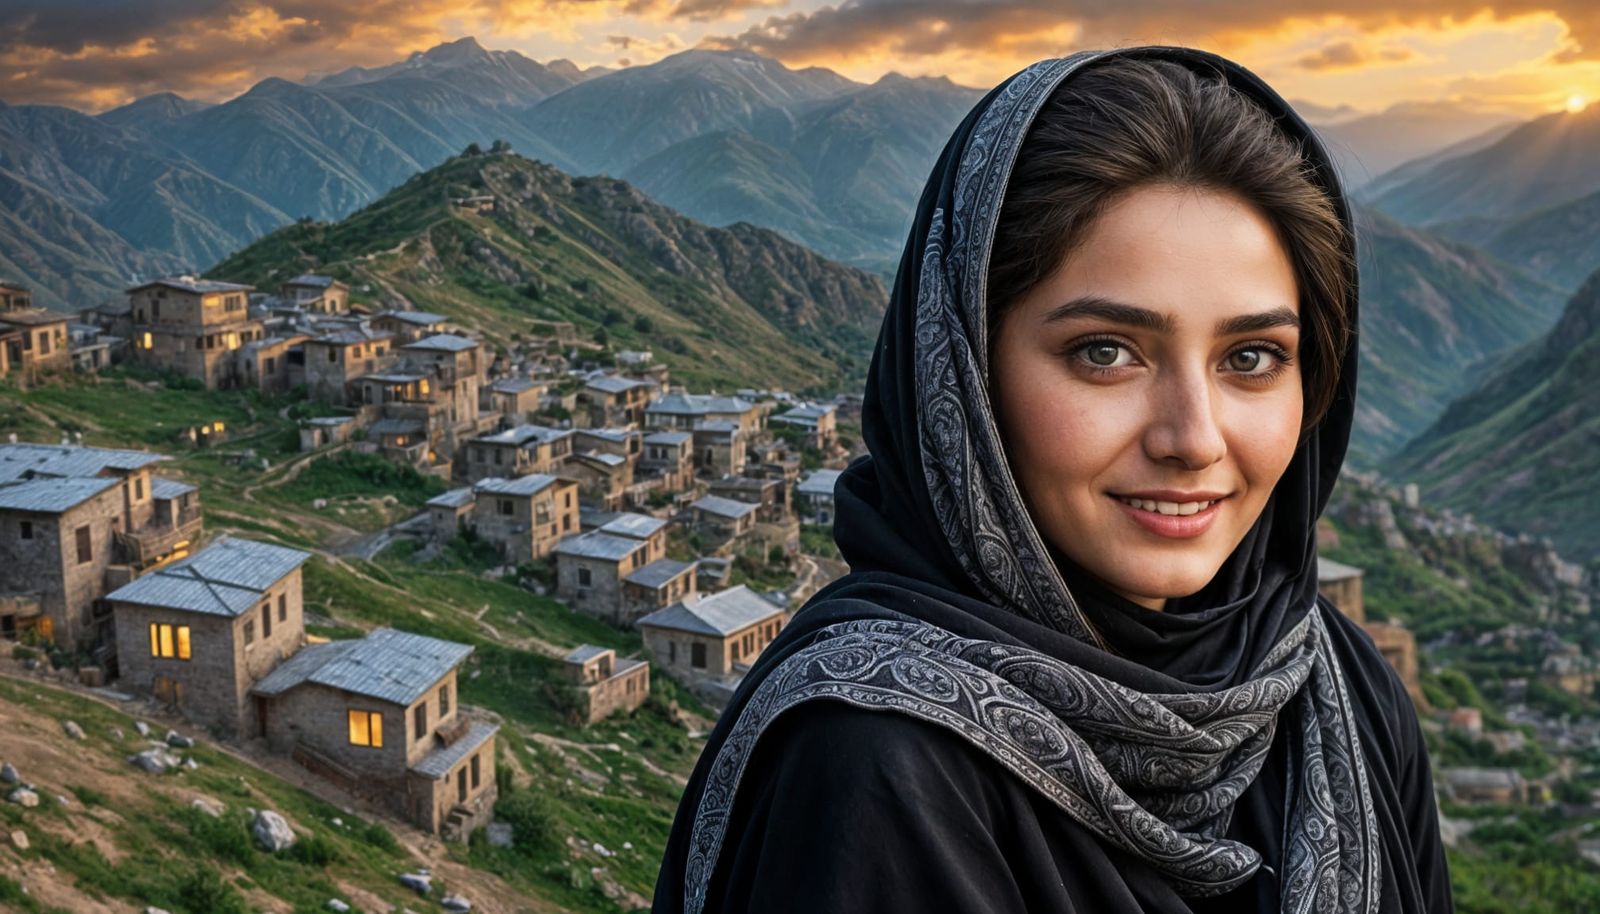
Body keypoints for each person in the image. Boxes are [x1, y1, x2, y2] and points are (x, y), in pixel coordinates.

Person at [652, 45, 1453, 914]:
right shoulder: (879, 766)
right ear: (964, 375)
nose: (1193, 438)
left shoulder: (1334, 685)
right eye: (1104, 353)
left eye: (1252, 358)